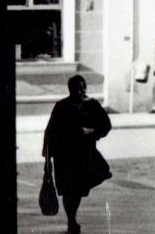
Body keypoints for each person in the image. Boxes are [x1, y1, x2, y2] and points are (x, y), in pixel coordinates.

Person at [44, 73, 113, 234]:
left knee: (77, 188)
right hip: (64, 155)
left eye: (83, 88)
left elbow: (106, 125)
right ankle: (71, 219)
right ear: (70, 89)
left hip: (84, 154)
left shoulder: (91, 105)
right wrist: (47, 157)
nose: (81, 91)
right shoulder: (61, 106)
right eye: (77, 88)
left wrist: (91, 131)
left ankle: (71, 219)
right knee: (69, 190)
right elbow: (50, 132)